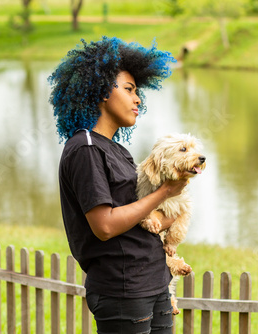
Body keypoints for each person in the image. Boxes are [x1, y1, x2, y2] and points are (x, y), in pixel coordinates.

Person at [48, 36, 188, 333]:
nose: (138, 99)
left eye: (138, 91)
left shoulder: (116, 149)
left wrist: (171, 210)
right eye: (128, 89)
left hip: (154, 281)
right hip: (123, 289)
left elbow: (139, 217)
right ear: (100, 91)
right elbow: (105, 226)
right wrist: (165, 192)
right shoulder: (86, 148)